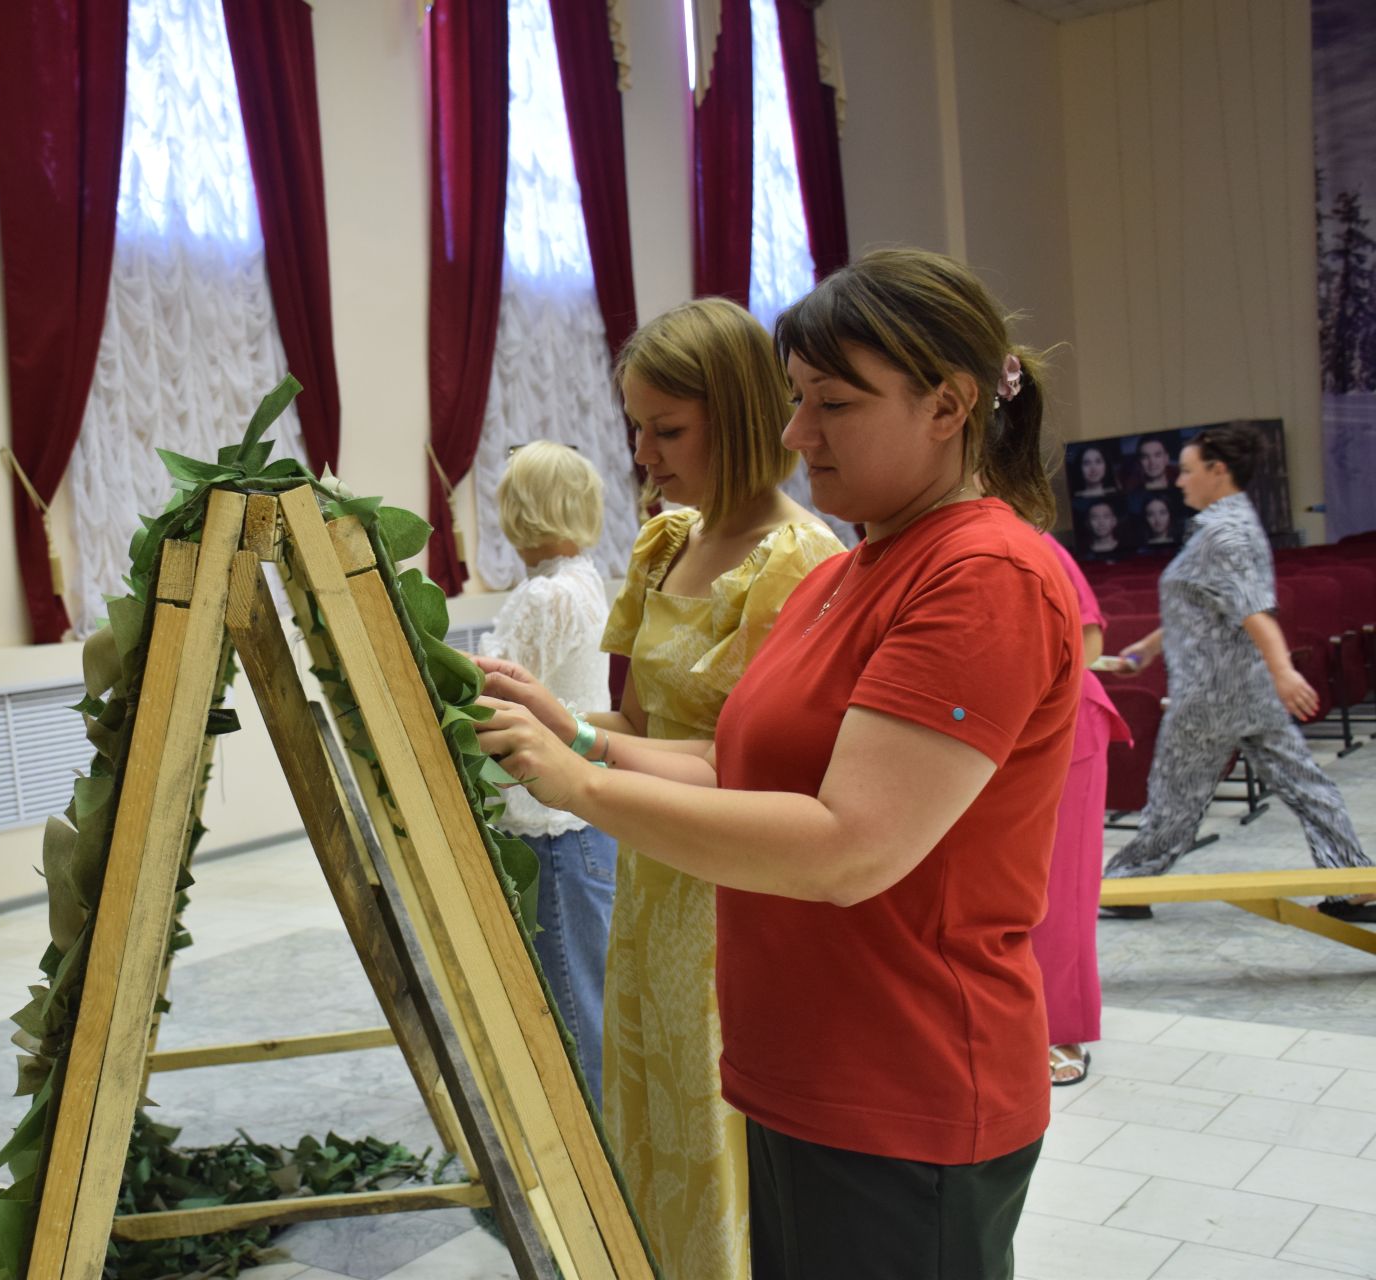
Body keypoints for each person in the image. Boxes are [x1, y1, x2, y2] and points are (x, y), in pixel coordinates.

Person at [476, 249, 1081, 1280]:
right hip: (801, 1065)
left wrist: (583, 789)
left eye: (832, 404)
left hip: (905, 1077)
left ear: (949, 404)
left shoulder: (982, 574)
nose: (797, 436)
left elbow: (850, 845)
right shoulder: (851, 571)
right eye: (797, 401)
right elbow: (747, 775)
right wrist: (584, 737)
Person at [476, 297, 842, 1279]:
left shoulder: (801, 563)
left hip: (730, 888)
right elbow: (635, 728)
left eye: (667, 428)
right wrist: (554, 718)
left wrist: (577, 767)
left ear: (739, 412)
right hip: (650, 873)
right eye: (635, 425)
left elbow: (746, 771)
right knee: (645, 1110)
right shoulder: (666, 543)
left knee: (712, 1131)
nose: (642, 452)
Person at [1102, 424, 1375, 918]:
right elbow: (1206, 605)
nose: (1179, 481)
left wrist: (1284, 671)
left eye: (1187, 471)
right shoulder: (1228, 525)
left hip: (1211, 695)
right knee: (1304, 783)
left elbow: (1253, 612)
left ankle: (1127, 883)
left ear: (1217, 470)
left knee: (1174, 797)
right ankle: (1350, 878)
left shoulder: (1223, 533)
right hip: (1241, 689)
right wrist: (1145, 649)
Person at [477, 441, 616, 1097]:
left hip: (550, 826)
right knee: (585, 998)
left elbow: (492, 697)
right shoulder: (584, 579)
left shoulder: (545, 597)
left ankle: (594, 1179)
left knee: (570, 1008)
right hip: (581, 821)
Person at [1033, 535, 1131, 1086]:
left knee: (1062, 886)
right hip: (984, 731)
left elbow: (1088, 640)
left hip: (1060, 724)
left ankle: (1061, 1030)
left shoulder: (1032, 542)